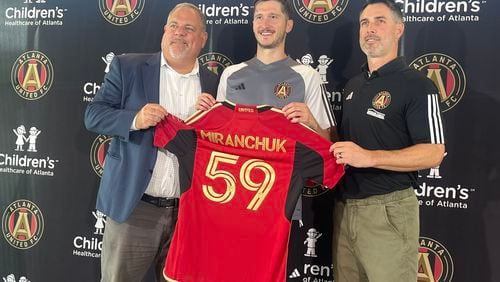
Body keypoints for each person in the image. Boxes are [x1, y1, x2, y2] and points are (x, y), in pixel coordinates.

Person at [84, 3, 219, 281]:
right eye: (174, 26)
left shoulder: (214, 83)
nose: (179, 33)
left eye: (189, 29)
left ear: (203, 39)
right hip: (135, 209)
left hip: (188, 213)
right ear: (164, 31)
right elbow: (93, 115)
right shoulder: (128, 66)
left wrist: (213, 120)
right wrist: (135, 119)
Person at [329, 1, 446, 281]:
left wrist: (370, 157)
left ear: (399, 29)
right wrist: (311, 123)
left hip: (389, 210)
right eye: (364, 23)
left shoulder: (418, 85)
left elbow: (434, 153)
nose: (370, 29)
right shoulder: (354, 85)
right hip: (345, 209)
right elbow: (344, 147)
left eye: (379, 21)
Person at [196, 0, 337, 222]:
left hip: (281, 198)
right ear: (252, 24)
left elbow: (326, 145)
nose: (265, 23)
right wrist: (204, 116)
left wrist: (312, 123)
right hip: (232, 194)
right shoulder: (231, 74)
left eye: (273, 16)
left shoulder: (306, 75)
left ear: (288, 25)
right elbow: (218, 140)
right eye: (259, 17)